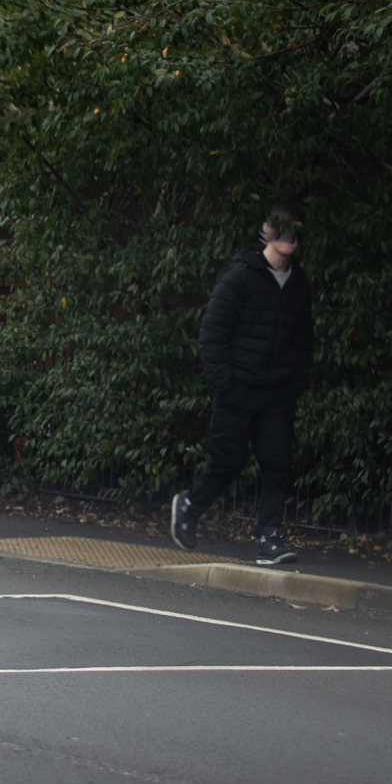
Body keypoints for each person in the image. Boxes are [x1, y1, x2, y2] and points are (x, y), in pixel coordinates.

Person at [170, 208, 312, 566]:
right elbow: (212, 334)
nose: (287, 238)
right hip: (238, 390)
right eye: (280, 231)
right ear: (265, 231)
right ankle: (190, 505)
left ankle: (269, 539)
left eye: (293, 233)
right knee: (228, 459)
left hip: (277, 393)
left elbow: (303, 341)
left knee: (278, 463)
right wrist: (226, 386)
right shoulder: (239, 277)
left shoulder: (299, 285)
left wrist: (294, 384)